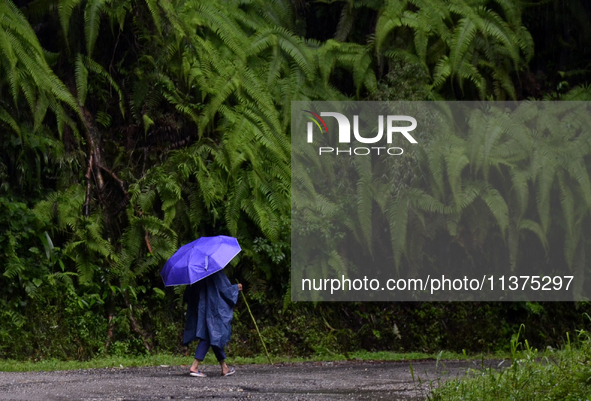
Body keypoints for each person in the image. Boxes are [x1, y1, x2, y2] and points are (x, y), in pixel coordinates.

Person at [183, 270, 242, 377]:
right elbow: (224, 289)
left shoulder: (195, 272)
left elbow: (188, 294)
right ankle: (194, 366)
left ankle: (224, 367)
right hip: (212, 308)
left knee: (211, 335)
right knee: (210, 335)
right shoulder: (213, 270)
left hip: (200, 309)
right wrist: (235, 288)